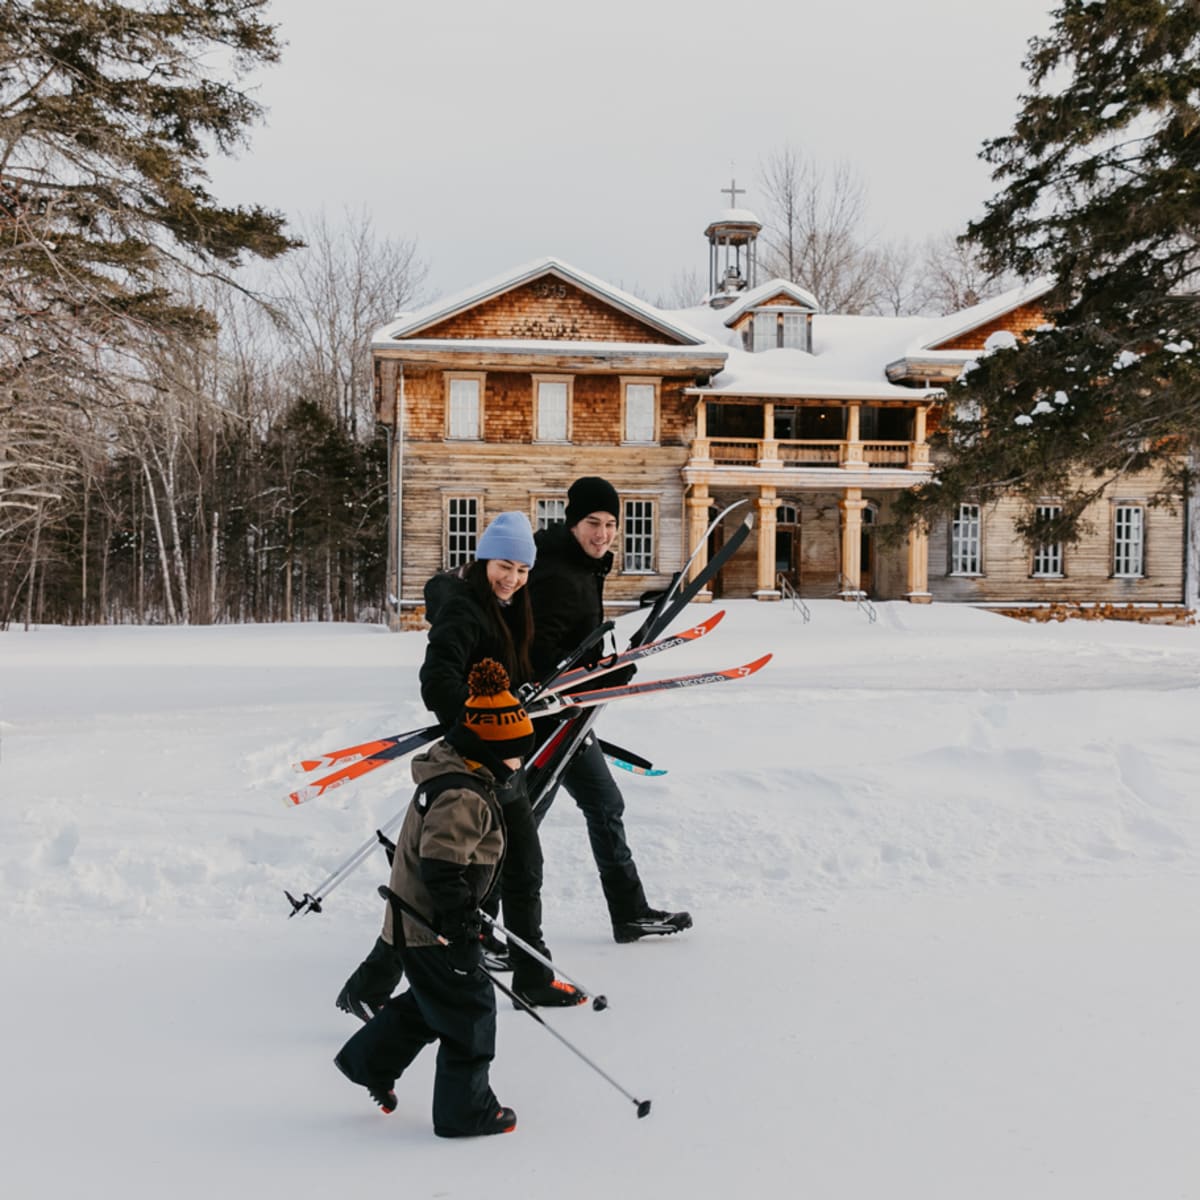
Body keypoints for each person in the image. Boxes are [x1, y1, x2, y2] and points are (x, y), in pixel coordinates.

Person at [336, 511, 582, 1018]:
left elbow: (513, 668)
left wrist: (547, 689)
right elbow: (438, 678)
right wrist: (474, 726)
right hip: (471, 761)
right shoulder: (465, 609)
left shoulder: (512, 606)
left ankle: (533, 975)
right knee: (443, 883)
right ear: (483, 558)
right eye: (503, 565)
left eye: (521, 568)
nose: (511, 577)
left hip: (498, 760)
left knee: (522, 866)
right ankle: (370, 986)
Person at [333, 659, 533, 1138]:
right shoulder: (461, 795)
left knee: (430, 1004)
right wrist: (461, 927)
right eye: (512, 755)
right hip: (432, 926)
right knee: (469, 1011)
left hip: (418, 923)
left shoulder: (456, 774)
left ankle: (368, 1062)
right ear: (486, 750)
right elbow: (442, 868)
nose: (518, 764)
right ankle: (466, 1112)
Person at [527, 476, 692, 943]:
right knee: (524, 820)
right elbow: (543, 657)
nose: (602, 534)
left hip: (573, 715)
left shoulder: (582, 567)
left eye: (610, 525)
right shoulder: (558, 573)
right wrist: (604, 675)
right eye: (593, 523)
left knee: (604, 804)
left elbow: (572, 647)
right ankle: (477, 918)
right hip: (547, 721)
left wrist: (606, 668)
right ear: (573, 522)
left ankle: (629, 912)